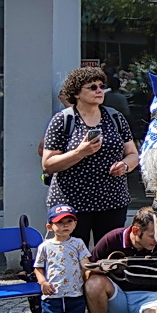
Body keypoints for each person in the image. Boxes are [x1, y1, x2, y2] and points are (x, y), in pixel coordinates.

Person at [41, 66, 140, 249]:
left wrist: (125, 166)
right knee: (72, 254)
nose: (99, 91)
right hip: (73, 201)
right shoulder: (63, 120)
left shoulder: (115, 117)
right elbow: (48, 164)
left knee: (110, 255)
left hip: (112, 200)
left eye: (102, 86)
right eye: (92, 87)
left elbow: (133, 154)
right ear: (77, 93)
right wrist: (80, 153)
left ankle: (103, 280)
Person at [34, 205, 89, 313]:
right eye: (60, 222)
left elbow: (85, 264)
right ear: (50, 227)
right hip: (53, 295)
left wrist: (91, 271)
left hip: (74, 294)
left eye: (69, 221)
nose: (65, 225)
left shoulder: (78, 243)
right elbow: (38, 267)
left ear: (75, 224)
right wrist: (43, 282)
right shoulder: (45, 246)